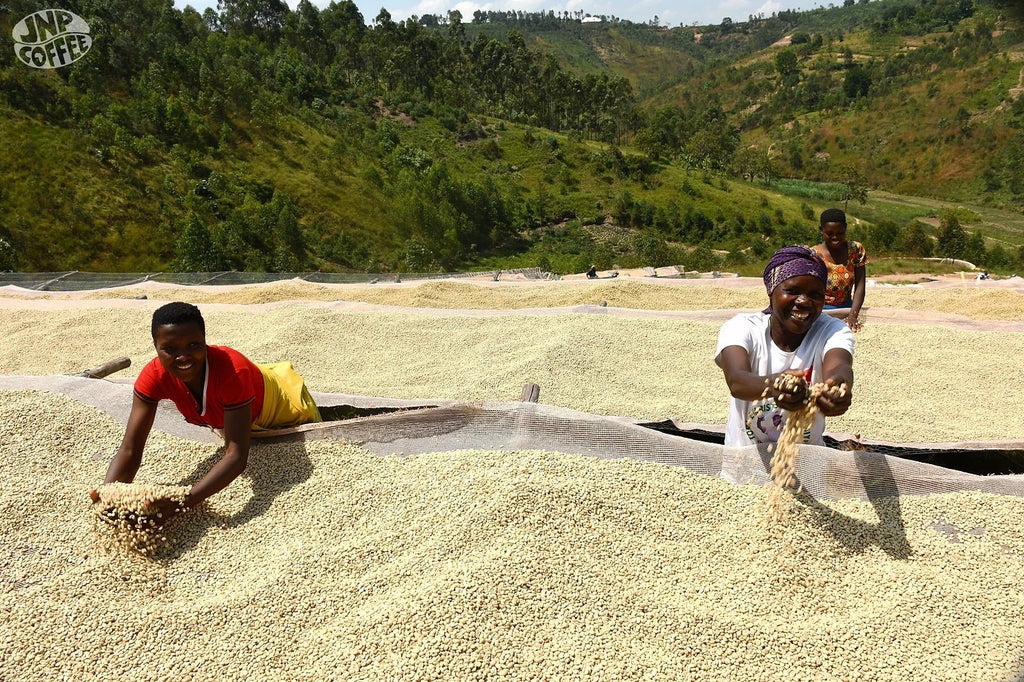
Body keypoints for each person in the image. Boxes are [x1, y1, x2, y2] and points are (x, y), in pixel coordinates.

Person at [90, 302, 322, 522]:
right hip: (234, 409)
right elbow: (131, 448)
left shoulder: (232, 373)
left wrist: (183, 502)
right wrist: (108, 495)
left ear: (205, 342)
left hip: (281, 407)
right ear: (155, 347)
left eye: (193, 345)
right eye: (170, 349)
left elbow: (237, 455)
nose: (183, 357)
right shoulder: (154, 376)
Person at [715, 246, 855, 448]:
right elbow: (737, 381)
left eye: (815, 294)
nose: (804, 301)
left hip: (808, 464)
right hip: (743, 464)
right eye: (792, 291)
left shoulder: (833, 330)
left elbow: (840, 366)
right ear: (772, 290)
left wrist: (839, 387)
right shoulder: (742, 327)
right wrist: (776, 385)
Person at [808, 208, 867, 331]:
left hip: (846, 308)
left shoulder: (855, 250)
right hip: (820, 309)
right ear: (821, 230)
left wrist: (853, 315)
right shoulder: (813, 255)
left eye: (840, 233)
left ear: (845, 228)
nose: (835, 238)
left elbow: (860, 284)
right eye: (829, 234)